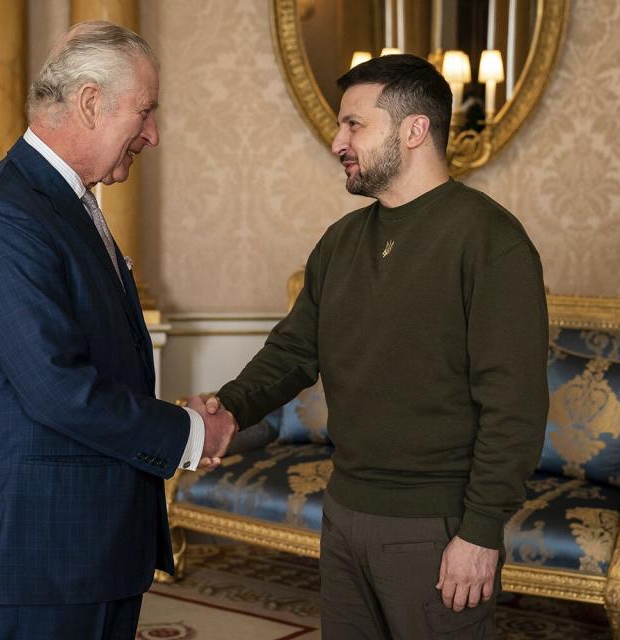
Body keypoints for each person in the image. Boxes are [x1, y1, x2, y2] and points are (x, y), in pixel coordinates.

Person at [204, 54, 549, 639]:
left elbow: (513, 405)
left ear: (414, 130)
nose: (337, 140)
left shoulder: (490, 239)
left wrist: (480, 532)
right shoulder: (341, 242)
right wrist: (229, 408)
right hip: (343, 513)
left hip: (436, 526)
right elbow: (292, 351)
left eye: (353, 125)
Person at [0, 21, 236, 639]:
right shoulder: (8, 216)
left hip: (91, 544)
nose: (153, 134)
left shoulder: (65, 202)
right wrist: (186, 431)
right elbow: (57, 388)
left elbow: (102, 361)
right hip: (40, 554)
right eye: (145, 111)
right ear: (89, 102)